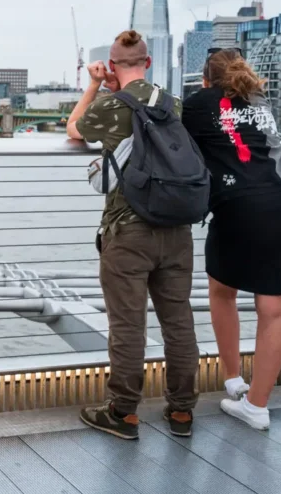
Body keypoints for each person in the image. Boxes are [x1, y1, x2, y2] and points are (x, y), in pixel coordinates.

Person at [66, 30, 199, 440]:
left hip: (129, 229)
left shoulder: (110, 105)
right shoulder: (172, 103)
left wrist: (93, 85)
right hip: (177, 228)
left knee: (128, 325)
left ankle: (122, 413)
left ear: (109, 62)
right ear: (150, 62)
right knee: (178, 320)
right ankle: (181, 411)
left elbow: (75, 129)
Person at [182, 48, 281, 430]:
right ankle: (257, 406)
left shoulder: (198, 104)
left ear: (205, 80)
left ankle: (233, 379)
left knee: (222, 289)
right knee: (274, 310)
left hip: (240, 207)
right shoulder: (259, 100)